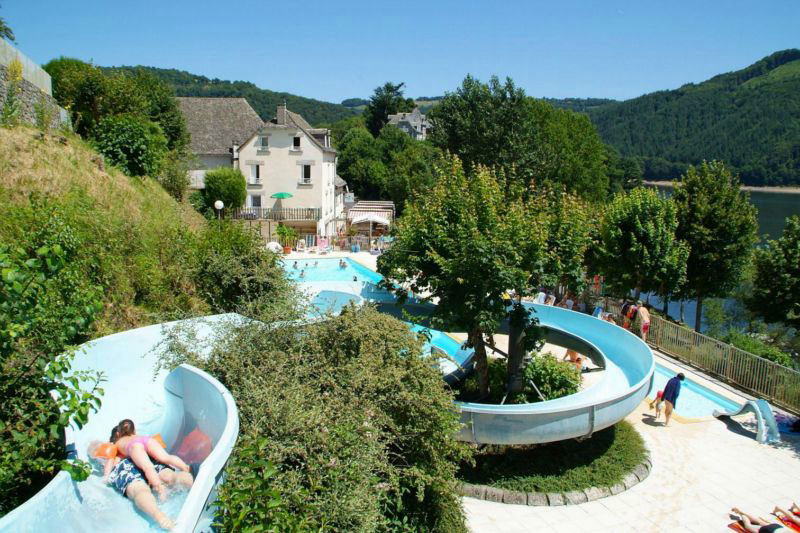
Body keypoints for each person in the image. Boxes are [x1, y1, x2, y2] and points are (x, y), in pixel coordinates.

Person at [113, 419, 191, 501]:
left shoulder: (118, 442)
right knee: (166, 457)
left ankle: (160, 489)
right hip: (147, 440)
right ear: (134, 431)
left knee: (148, 467)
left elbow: (117, 460)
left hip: (133, 446)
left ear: (118, 434)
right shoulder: (138, 435)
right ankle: (186, 468)